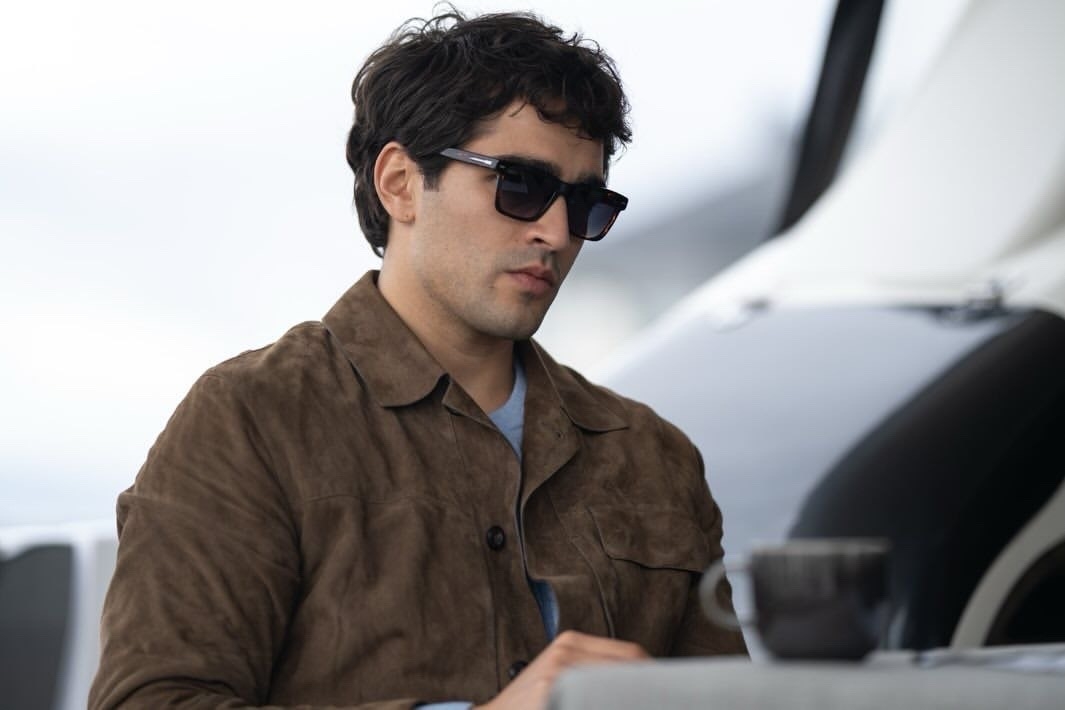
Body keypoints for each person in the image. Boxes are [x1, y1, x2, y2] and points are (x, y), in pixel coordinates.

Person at [89, 9, 746, 710]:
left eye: (586, 204)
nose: (556, 233)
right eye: (520, 185)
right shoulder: (253, 418)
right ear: (400, 182)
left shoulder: (654, 456)